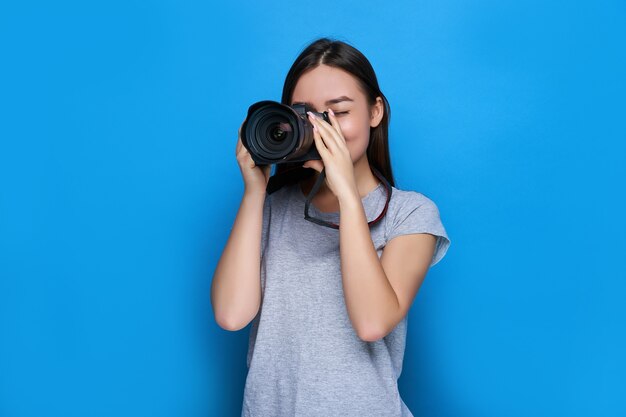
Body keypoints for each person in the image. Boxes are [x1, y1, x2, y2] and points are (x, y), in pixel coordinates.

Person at [211, 37, 451, 417]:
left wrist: (347, 197)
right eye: (305, 114)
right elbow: (231, 314)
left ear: (375, 112)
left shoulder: (410, 214)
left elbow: (372, 322)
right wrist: (254, 191)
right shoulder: (272, 209)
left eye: (337, 112)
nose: (323, 129)